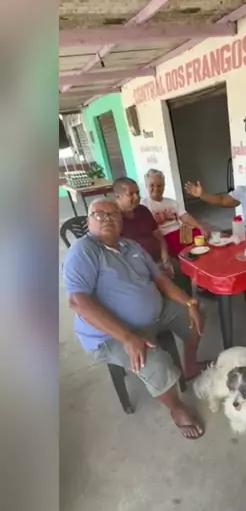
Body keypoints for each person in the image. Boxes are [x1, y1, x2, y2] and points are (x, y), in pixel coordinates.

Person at [62, 199, 205, 439]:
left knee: (195, 319)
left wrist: (189, 302)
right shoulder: (84, 251)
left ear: (121, 220)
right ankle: (176, 408)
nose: (107, 218)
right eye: (99, 214)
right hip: (110, 334)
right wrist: (127, 337)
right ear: (88, 221)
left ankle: (190, 365)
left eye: (113, 214)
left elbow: (160, 280)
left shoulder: (131, 245)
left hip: (156, 314)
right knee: (155, 363)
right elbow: (78, 302)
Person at [141, 169, 210, 257]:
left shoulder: (171, 202)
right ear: (146, 186)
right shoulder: (144, 205)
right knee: (188, 251)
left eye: (159, 185)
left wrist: (201, 227)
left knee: (204, 235)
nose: (156, 188)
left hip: (180, 232)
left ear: (164, 186)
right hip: (164, 236)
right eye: (152, 185)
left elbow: (184, 216)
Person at [113, 176, 174, 277]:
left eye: (137, 193)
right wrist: (152, 269)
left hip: (158, 259)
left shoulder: (143, 210)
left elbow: (158, 235)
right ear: (118, 196)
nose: (137, 197)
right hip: (137, 268)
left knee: (184, 271)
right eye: (131, 194)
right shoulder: (113, 219)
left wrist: (165, 255)